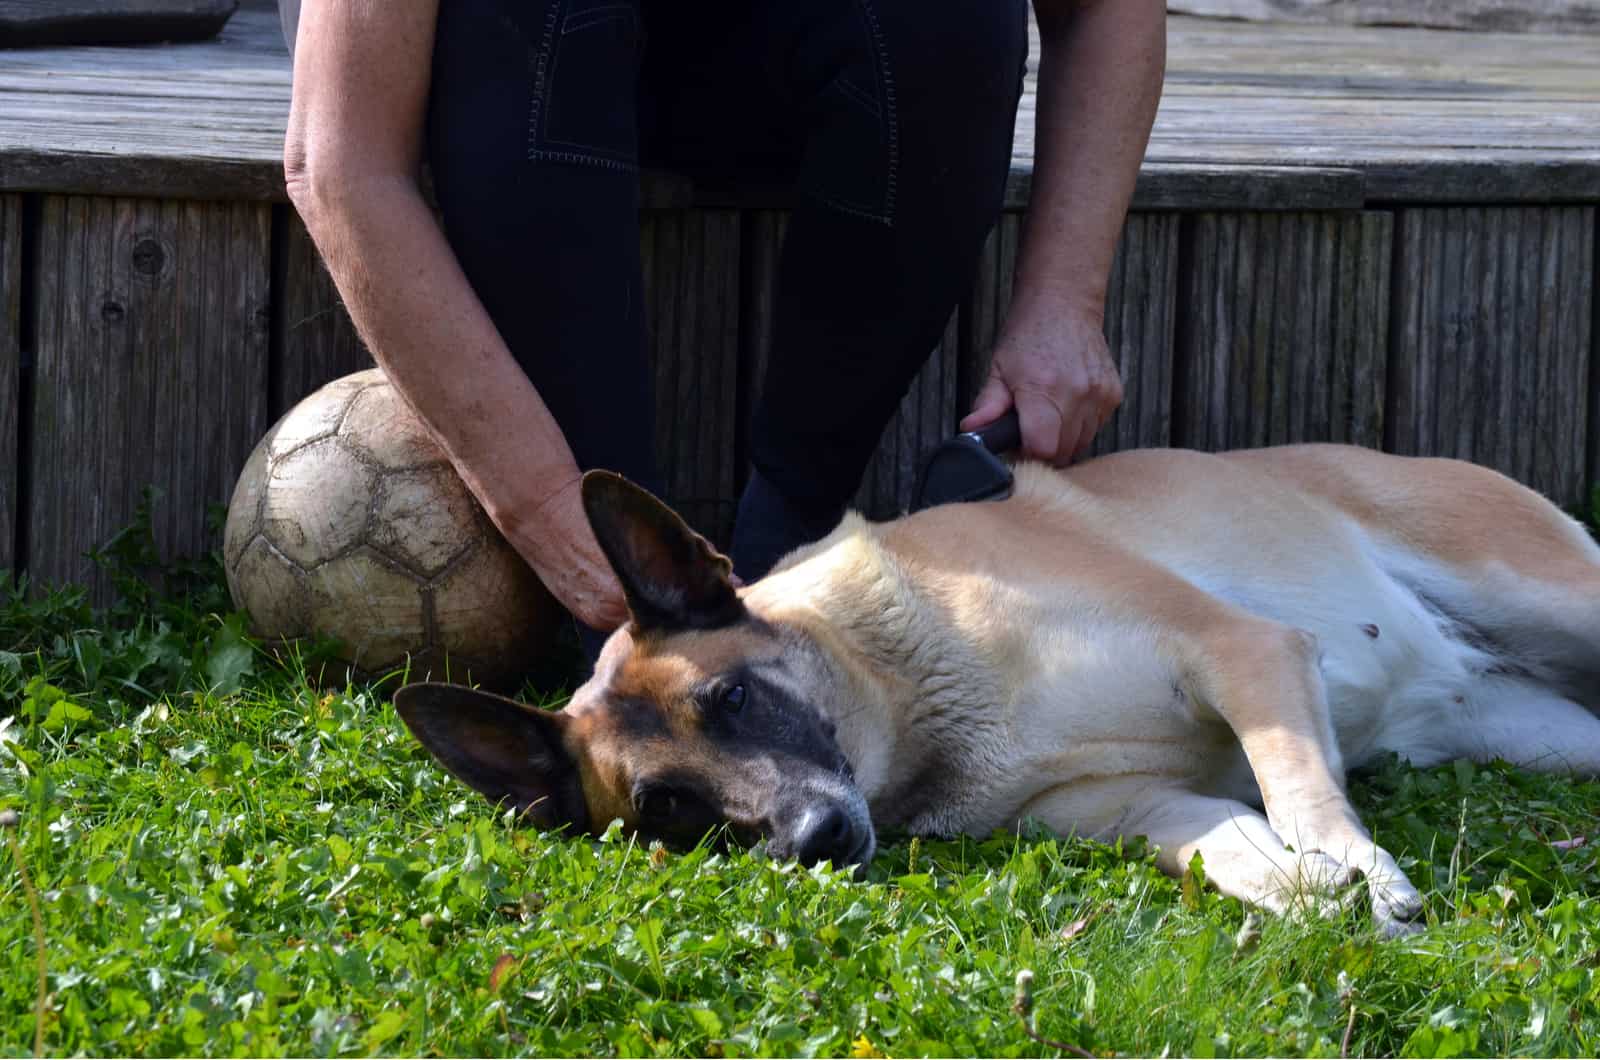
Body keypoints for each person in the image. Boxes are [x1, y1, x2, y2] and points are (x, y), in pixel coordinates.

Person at [281, 0, 1166, 645]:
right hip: (502, 60)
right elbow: (340, 163)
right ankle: (635, 579)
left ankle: (790, 537)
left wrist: (1063, 302)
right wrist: (559, 518)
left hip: (756, 61)